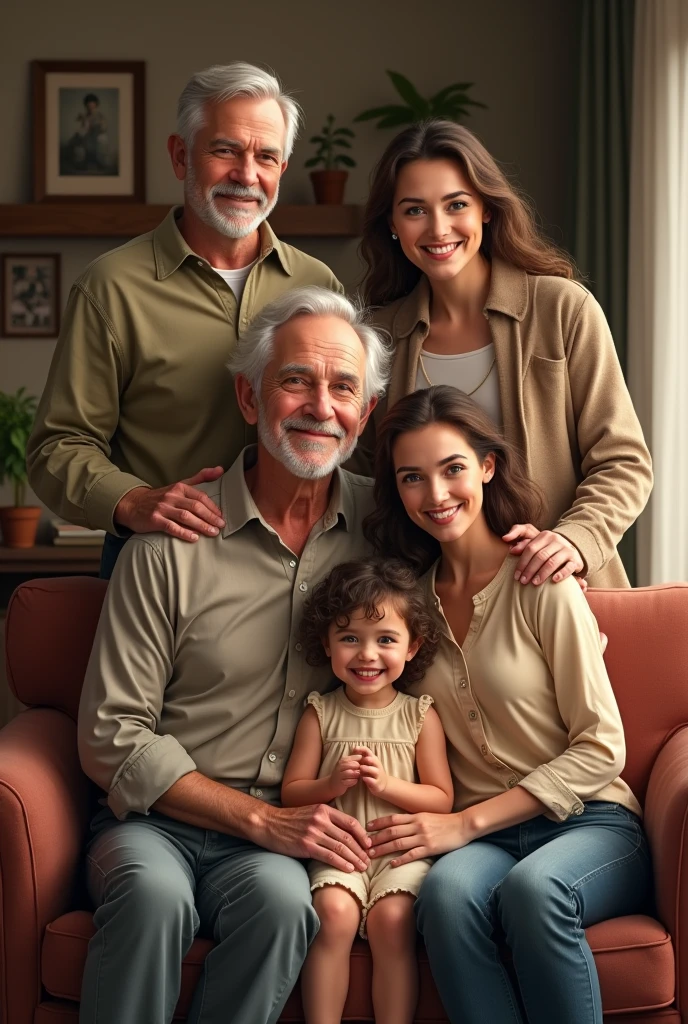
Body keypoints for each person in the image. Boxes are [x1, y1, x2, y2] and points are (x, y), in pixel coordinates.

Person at [76, 287, 391, 1024]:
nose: (321, 405)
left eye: (344, 386)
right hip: (155, 824)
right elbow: (110, 735)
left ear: (366, 414)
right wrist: (262, 820)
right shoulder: (169, 542)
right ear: (250, 397)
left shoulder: (388, 533)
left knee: (287, 908)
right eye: (295, 380)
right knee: (154, 896)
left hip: (279, 844)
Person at [363, 385, 651, 1024]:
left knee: (534, 889)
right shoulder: (405, 606)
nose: (436, 495)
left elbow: (603, 747)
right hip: (484, 837)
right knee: (443, 894)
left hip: (589, 823)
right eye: (413, 478)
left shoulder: (544, 581)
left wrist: (463, 825)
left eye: (453, 469)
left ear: (487, 467)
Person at [28, 62, 343, 579]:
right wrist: (133, 501)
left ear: (282, 170)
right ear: (181, 156)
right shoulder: (111, 286)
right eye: (225, 150)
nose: (247, 175)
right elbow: (57, 448)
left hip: (300, 559)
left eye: (266, 156)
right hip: (160, 561)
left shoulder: (318, 284)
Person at [350, 119, 652, 588]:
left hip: (560, 594)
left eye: (456, 205)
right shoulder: (378, 336)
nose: (438, 228)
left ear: (486, 209)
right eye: (414, 210)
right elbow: (361, 476)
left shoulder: (562, 308)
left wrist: (574, 539)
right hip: (430, 604)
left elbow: (624, 460)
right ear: (391, 224)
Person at [282, 558, 453, 1024]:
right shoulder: (321, 711)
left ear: (413, 646)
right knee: (331, 915)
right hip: (340, 851)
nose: (367, 655)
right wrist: (330, 784)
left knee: (392, 922)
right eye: (349, 638)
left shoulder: (420, 715)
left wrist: (390, 785)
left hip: (401, 853)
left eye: (386, 640)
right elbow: (292, 792)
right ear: (327, 644)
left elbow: (442, 799)